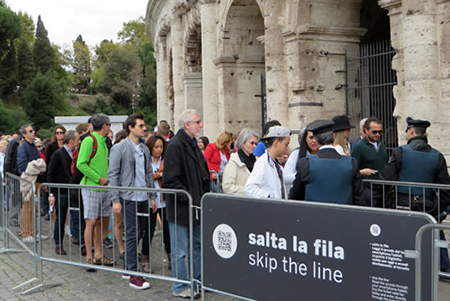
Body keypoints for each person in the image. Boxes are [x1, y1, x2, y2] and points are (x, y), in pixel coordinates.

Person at [379, 117, 450, 279]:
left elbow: (384, 179)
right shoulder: (437, 156)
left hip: (402, 204)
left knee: (400, 236)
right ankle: (443, 270)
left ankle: (399, 266)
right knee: (433, 233)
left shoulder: (400, 152)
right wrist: (438, 211)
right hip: (428, 206)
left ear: (411, 131)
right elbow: (446, 188)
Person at [162, 109, 210, 298]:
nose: (200, 125)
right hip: (182, 207)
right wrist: (188, 197)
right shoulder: (176, 145)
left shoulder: (192, 144)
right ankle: (180, 286)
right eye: (197, 122)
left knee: (197, 245)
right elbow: (170, 180)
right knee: (180, 250)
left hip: (195, 205)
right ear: (187, 125)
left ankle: (197, 282)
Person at [109, 113, 157, 289]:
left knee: (139, 233)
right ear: (131, 127)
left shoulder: (144, 149)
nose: (144, 128)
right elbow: (113, 174)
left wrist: (152, 196)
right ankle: (133, 274)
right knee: (131, 233)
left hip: (143, 197)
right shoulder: (120, 148)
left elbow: (149, 174)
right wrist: (115, 199)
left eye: (144, 126)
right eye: (141, 126)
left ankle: (127, 268)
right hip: (128, 197)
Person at [289, 120, 365, 205]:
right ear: (334, 136)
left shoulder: (305, 164)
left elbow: (295, 196)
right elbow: (359, 199)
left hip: (313, 216)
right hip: (344, 216)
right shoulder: (351, 163)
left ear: (316, 139)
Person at [76, 114, 114, 268]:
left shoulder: (105, 142)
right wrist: (99, 179)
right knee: (91, 221)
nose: (110, 127)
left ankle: (98, 254)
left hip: (104, 187)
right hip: (92, 186)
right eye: (109, 125)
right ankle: (89, 257)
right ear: (104, 126)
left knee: (99, 221)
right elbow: (81, 164)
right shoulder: (89, 140)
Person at [47, 130, 80, 255]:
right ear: (71, 141)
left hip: (73, 190)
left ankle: (81, 241)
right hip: (61, 191)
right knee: (60, 218)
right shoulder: (58, 154)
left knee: (77, 217)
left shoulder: (76, 153)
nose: (79, 141)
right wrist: (51, 193)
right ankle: (58, 244)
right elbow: (50, 173)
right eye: (77, 139)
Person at [17, 124, 49, 243]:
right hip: (28, 181)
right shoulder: (22, 147)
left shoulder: (33, 146)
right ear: (24, 134)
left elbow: (38, 162)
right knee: (27, 208)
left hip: (35, 180)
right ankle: (26, 233)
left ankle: (33, 232)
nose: (33, 132)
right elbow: (22, 167)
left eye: (34, 130)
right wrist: (35, 167)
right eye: (30, 131)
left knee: (34, 208)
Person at [146, 134, 172, 270]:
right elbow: (145, 176)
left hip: (163, 200)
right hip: (150, 200)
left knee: (168, 231)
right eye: (156, 147)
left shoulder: (165, 160)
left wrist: (159, 175)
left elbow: (169, 173)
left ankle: (170, 258)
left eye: (161, 147)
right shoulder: (146, 160)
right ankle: (145, 259)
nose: (159, 150)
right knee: (148, 230)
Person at [245, 126, 291, 199]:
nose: (287, 148)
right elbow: (250, 188)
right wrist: (269, 197)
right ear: (276, 143)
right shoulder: (263, 162)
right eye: (286, 144)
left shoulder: (276, 163)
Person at [351, 117, 388, 206]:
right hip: (368, 190)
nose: (378, 134)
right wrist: (362, 172)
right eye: (374, 132)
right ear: (366, 130)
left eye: (380, 132)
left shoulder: (381, 144)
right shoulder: (359, 147)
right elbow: (352, 169)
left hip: (383, 188)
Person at [222, 128, 258, 195]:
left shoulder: (256, 162)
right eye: (252, 143)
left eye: (256, 144)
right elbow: (227, 187)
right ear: (243, 143)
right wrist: (248, 190)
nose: (254, 146)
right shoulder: (233, 163)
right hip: (240, 202)